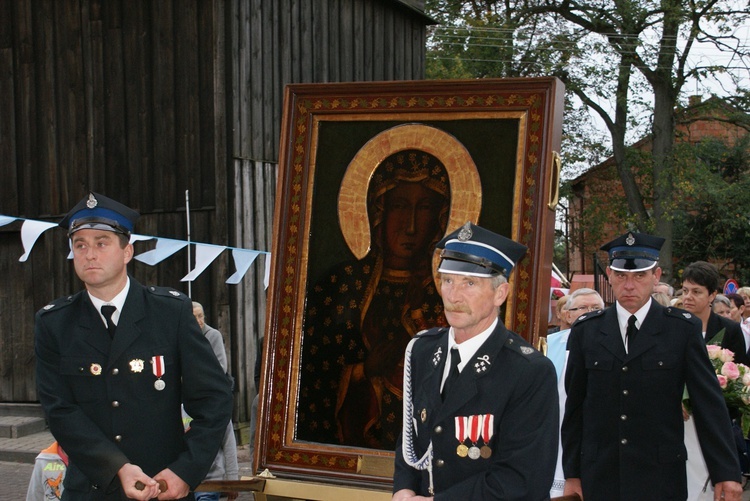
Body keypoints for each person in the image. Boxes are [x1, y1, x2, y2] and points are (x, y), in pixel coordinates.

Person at [34, 192, 233, 500]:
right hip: (91, 489)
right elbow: (60, 411)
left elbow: (214, 398)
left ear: (127, 251)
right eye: (80, 245)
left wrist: (186, 471)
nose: (89, 254)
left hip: (163, 486)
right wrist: (117, 467)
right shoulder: (55, 323)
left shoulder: (170, 312)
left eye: (102, 243)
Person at [562, 231, 743, 501]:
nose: (630, 285)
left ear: (656, 277)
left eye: (639, 276)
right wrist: (572, 473)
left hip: (660, 475)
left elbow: (709, 403)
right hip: (601, 475)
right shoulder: (587, 331)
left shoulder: (681, 329)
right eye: (622, 276)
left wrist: (726, 472)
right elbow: (575, 407)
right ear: (610, 276)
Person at [393, 222, 558, 500]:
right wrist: (403, 490)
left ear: (500, 294)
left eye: (470, 283)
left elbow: (522, 479)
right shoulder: (422, 351)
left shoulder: (528, 371)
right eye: (448, 281)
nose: (454, 296)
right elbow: (411, 441)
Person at [298, 150, 451, 449]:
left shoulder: (447, 291)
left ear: (439, 218)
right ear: (378, 211)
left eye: (424, 208)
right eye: (399, 206)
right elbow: (311, 375)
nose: (410, 225)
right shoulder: (338, 286)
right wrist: (362, 371)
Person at [545, 287, 604, 498]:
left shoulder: (609, 345)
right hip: (554, 427)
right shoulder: (549, 344)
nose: (590, 312)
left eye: (596, 308)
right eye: (583, 308)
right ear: (567, 315)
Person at [191, 302, 239, 501]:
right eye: (195, 317)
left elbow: (219, 368)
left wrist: (233, 480)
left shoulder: (213, 336)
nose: (200, 321)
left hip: (212, 391)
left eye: (201, 316)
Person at [681, 261, 748, 365]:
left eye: (696, 292)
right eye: (685, 291)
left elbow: (740, 368)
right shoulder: (672, 324)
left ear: (712, 295)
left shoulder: (729, 329)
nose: (688, 297)